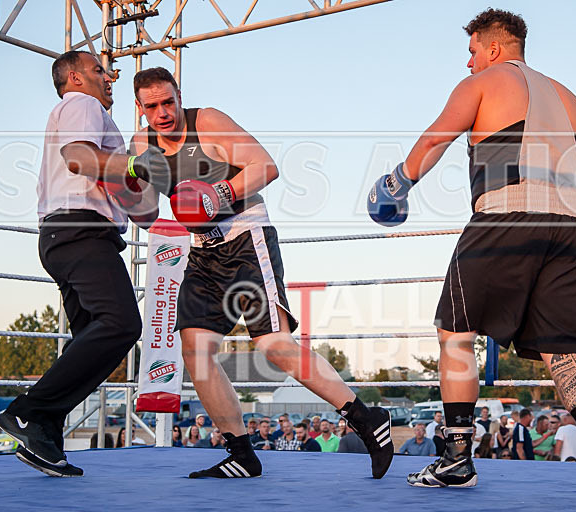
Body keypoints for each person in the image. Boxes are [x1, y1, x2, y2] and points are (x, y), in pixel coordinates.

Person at [373, 9, 576, 496]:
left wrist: (395, 184)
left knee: (456, 333)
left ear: (493, 48)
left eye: (471, 52)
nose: (467, 63)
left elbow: (436, 138)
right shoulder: (575, 101)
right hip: (574, 227)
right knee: (565, 350)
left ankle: (456, 460)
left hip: (504, 219)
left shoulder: (485, 82)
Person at [130, 67, 393, 479]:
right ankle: (242, 454)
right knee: (196, 353)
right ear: (140, 108)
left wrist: (218, 192)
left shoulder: (208, 122)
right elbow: (145, 211)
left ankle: (365, 417)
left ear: (179, 96)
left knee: (275, 346)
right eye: (152, 106)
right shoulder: (140, 145)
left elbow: (265, 166)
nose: (163, 113)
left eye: (168, 102)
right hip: (202, 253)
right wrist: (126, 185)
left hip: (244, 239)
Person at [0, 50, 159, 478]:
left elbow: (143, 212)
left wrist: (153, 178)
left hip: (72, 234)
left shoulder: (99, 121)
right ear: (75, 77)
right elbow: (79, 159)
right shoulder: (81, 105)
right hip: (80, 231)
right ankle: (29, 412)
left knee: (91, 340)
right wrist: (135, 164)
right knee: (121, 324)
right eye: (99, 71)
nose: (109, 78)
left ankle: (43, 430)